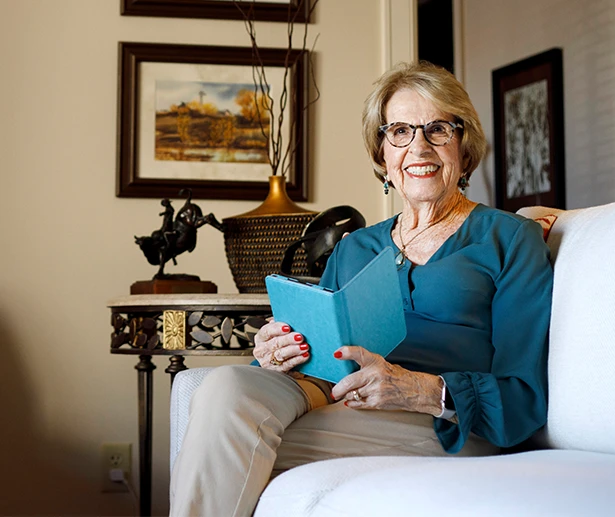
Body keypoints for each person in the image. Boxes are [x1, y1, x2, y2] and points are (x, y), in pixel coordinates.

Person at [170, 61, 554, 516]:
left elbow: (523, 393)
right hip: (338, 399)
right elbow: (320, 353)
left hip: (442, 422)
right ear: (382, 154)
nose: (419, 147)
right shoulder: (355, 247)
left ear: (463, 144)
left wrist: (418, 389)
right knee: (224, 387)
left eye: (437, 129)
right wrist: (276, 355)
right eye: (400, 132)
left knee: (227, 441)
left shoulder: (509, 238)